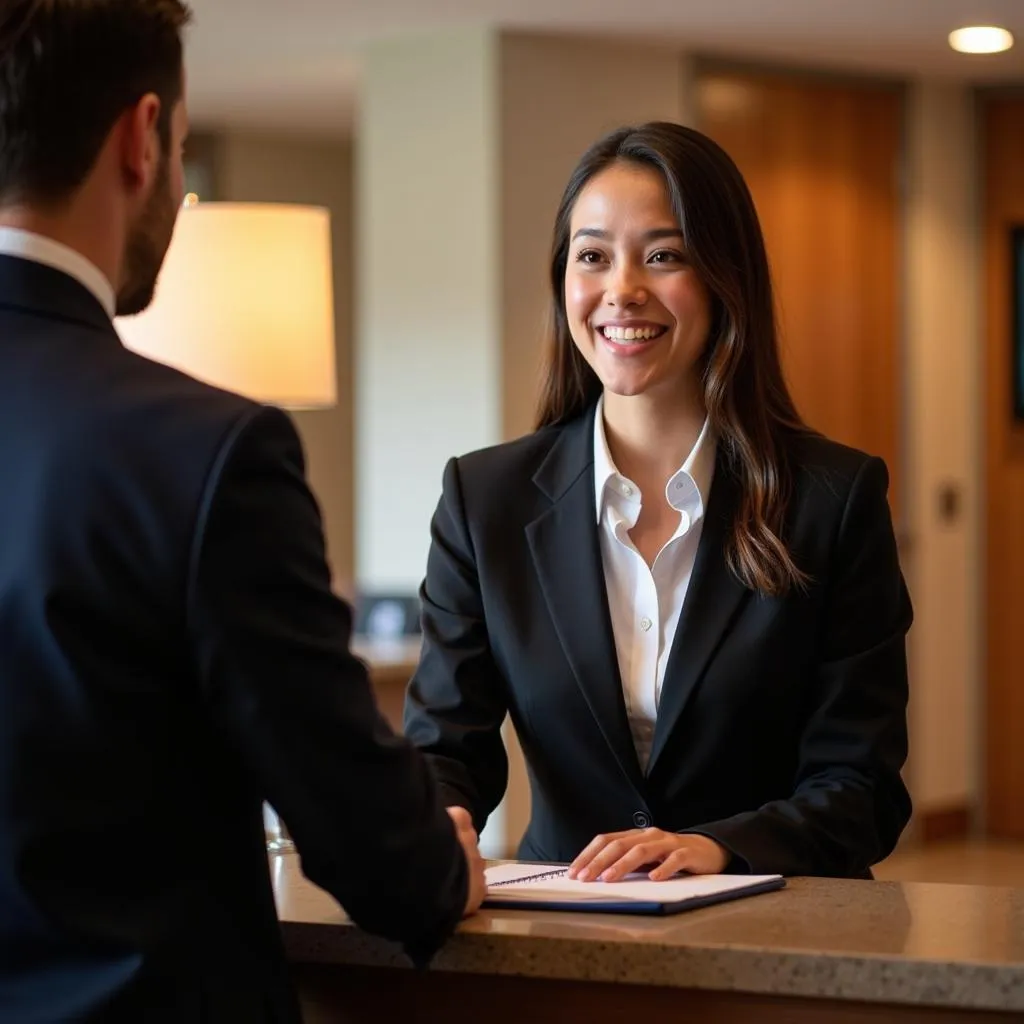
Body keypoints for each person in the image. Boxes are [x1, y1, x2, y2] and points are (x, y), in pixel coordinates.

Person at [0, 3, 484, 1021]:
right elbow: (384, 862)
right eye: (181, 147)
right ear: (141, 139)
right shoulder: (204, 454)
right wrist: (436, 859)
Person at [404, 121, 912, 885]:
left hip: (773, 930)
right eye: (593, 256)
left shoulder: (832, 500)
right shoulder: (486, 500)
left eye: (664, 256)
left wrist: (717, 849)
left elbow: (862, 788)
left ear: (723, 277)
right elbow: (444, 748)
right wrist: (437, 824)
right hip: (566, 931)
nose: (622, 290)